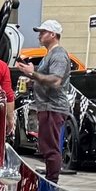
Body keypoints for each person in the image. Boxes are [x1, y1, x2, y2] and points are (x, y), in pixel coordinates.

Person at [17, 18, 76, 182]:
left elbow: (56, 80)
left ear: (53, 34)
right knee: (46, 146)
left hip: (53, 107)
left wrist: (32, 74)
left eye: (42, 32)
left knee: (50, 148)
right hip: (47, 107)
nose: (39, 36)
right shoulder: (49, 55)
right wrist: (33, 79)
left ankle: (52, 182)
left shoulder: (58, 55)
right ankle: (51, 178)